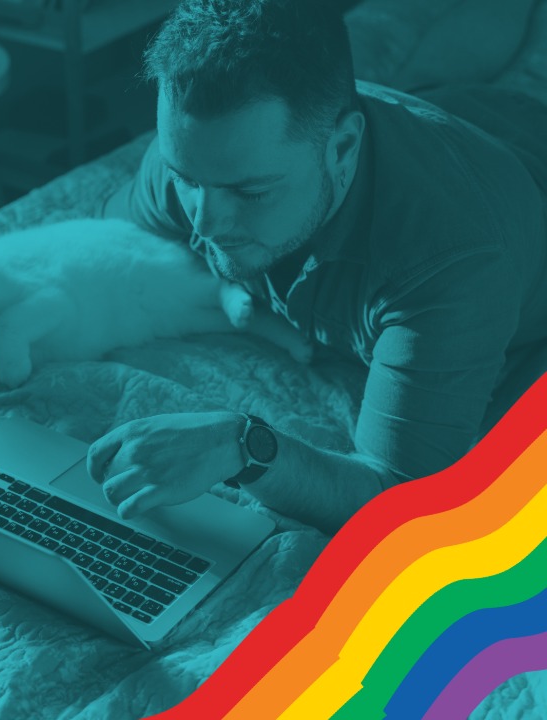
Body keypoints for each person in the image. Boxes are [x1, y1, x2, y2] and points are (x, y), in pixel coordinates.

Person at [91, 0, 547, 535]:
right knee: (420, 75)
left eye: (251, 191)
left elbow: (400, 500)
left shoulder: (452, 261)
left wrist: (246, 446)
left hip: (516, 155)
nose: (207, 223)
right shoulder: (209, 155)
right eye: (186, 181)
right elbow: (111, 230)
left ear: (343, 148)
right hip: (441, 115)